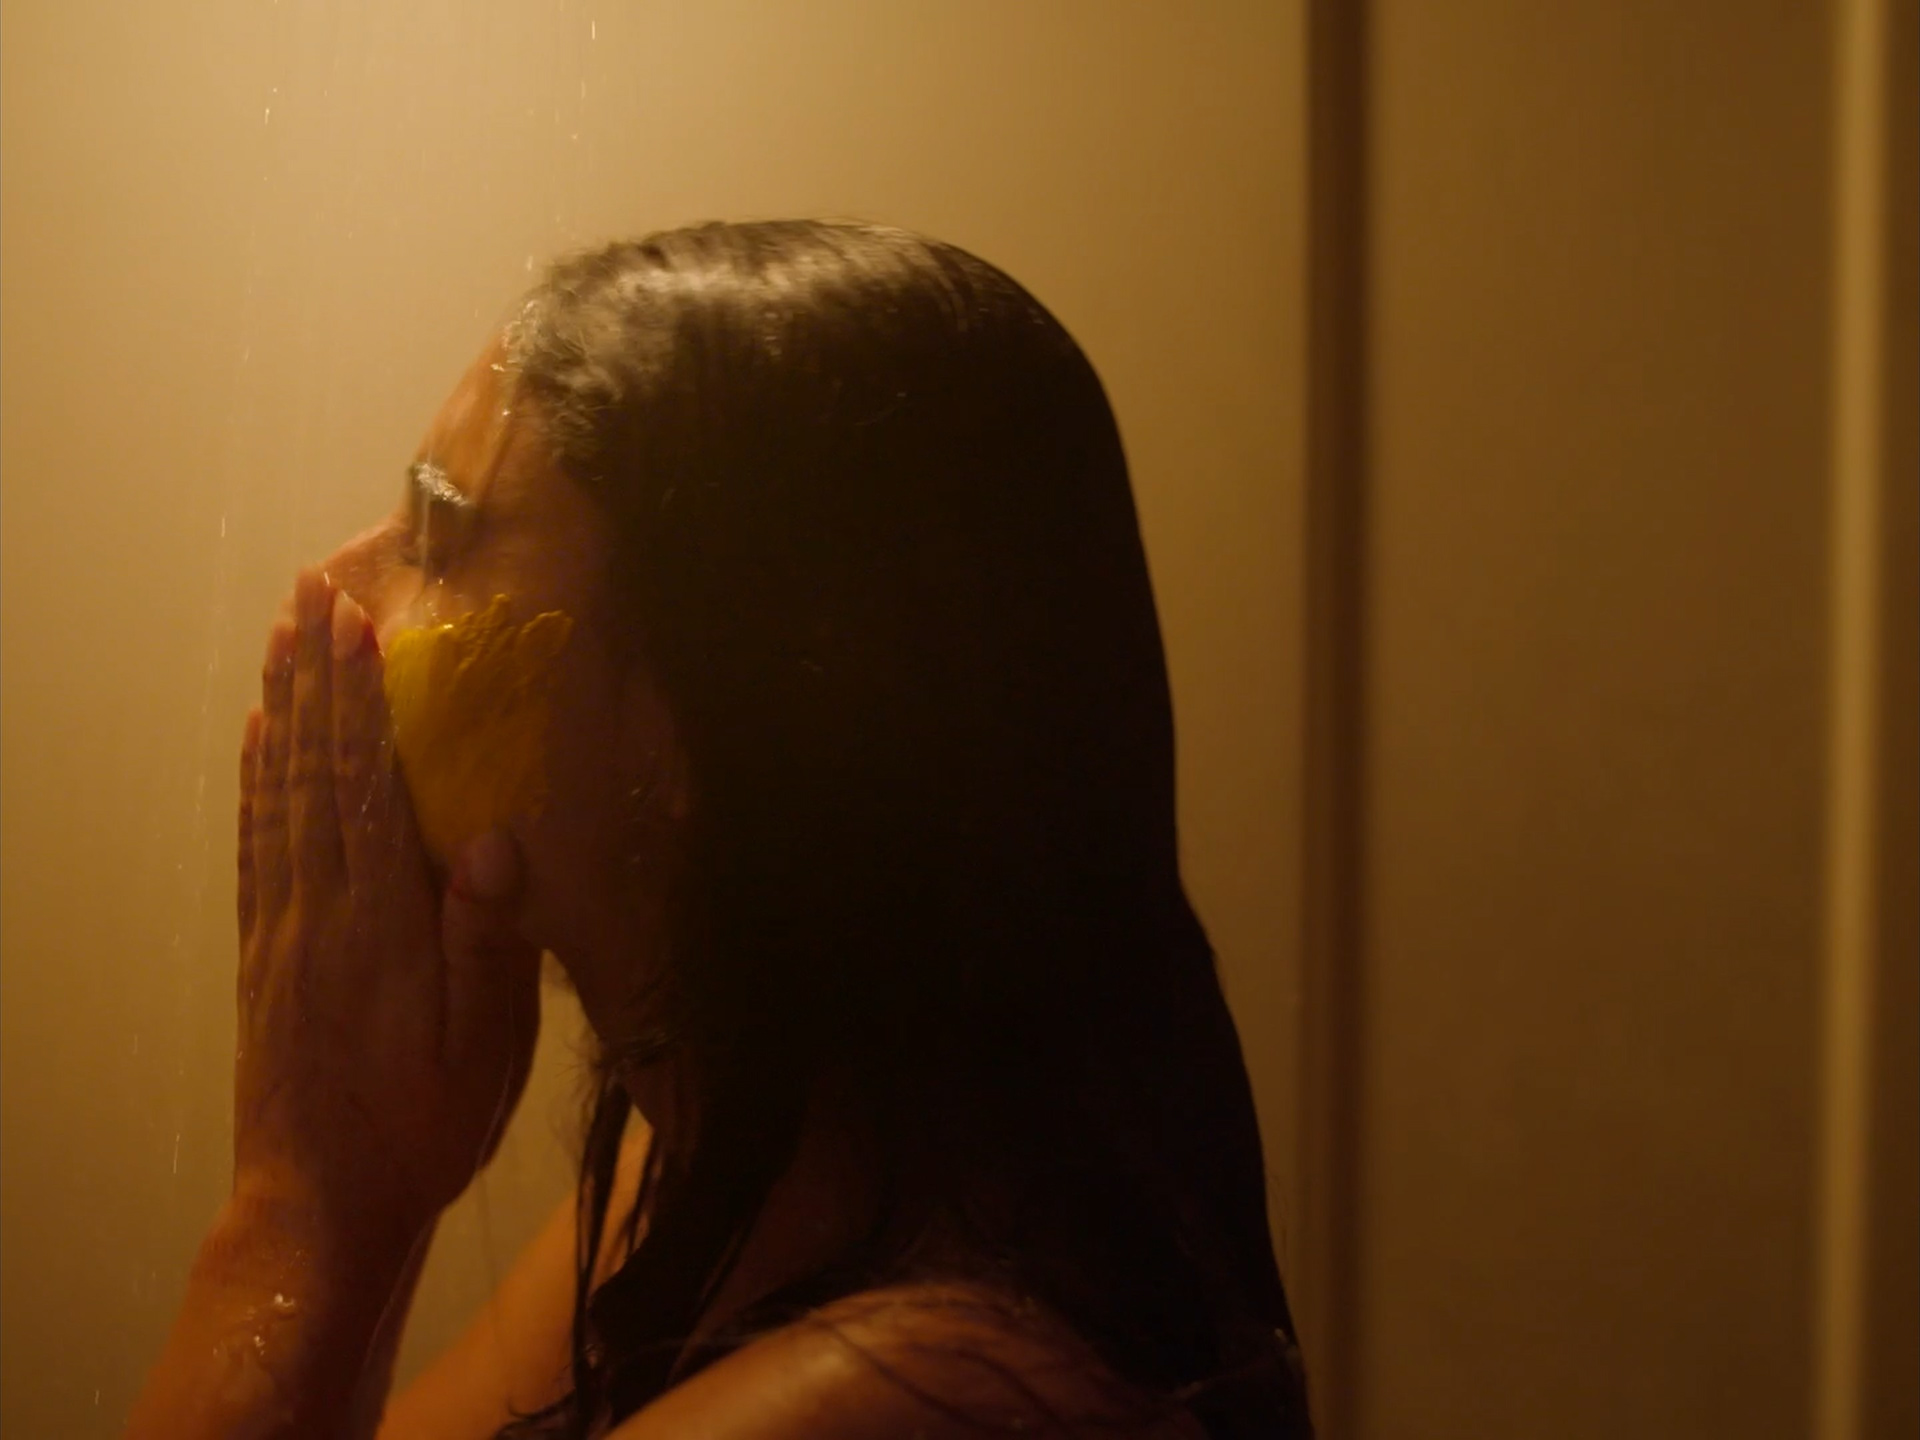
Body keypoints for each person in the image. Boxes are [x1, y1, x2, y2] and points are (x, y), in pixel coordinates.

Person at [126, 220, 1313, 1439]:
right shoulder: (739, 1174)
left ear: (711, 717)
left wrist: (298, 1212)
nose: (336, 587)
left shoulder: (921, 1405)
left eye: (441, 533)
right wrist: (369, 1183)